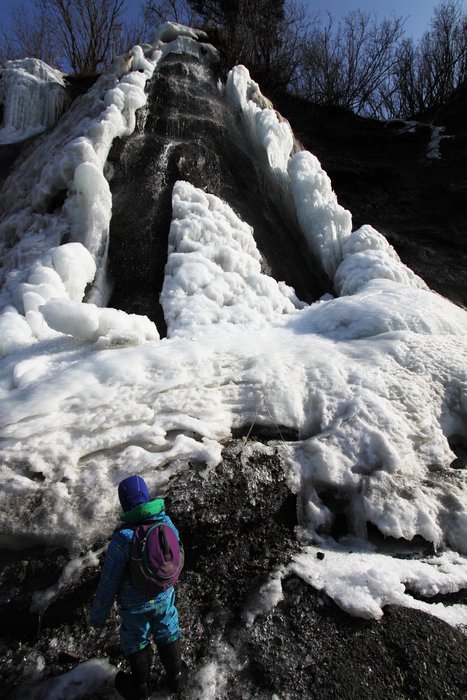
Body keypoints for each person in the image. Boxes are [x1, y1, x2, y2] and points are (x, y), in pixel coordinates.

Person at [90, 475, 183, 699]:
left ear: (124, 503)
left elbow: (109, 581)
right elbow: (176, 555)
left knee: (136, 638)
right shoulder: (166, 523)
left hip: (135, 605)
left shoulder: (124, 537)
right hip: (163, 593)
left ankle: (140, 687)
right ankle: (176, 677)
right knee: (168, 629)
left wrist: (98, 617)